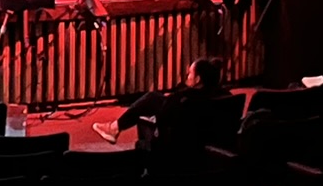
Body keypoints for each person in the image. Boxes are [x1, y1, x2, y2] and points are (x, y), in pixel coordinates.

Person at [92, 56, 228, 147]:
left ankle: (115, 128)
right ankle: (115, 127)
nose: (187, 76)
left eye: (190, 74)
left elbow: (163, 118)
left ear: (198, 80)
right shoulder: (226, 97)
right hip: (212, 149)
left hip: (179, 148)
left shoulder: (184, 99)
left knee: (151, 98)